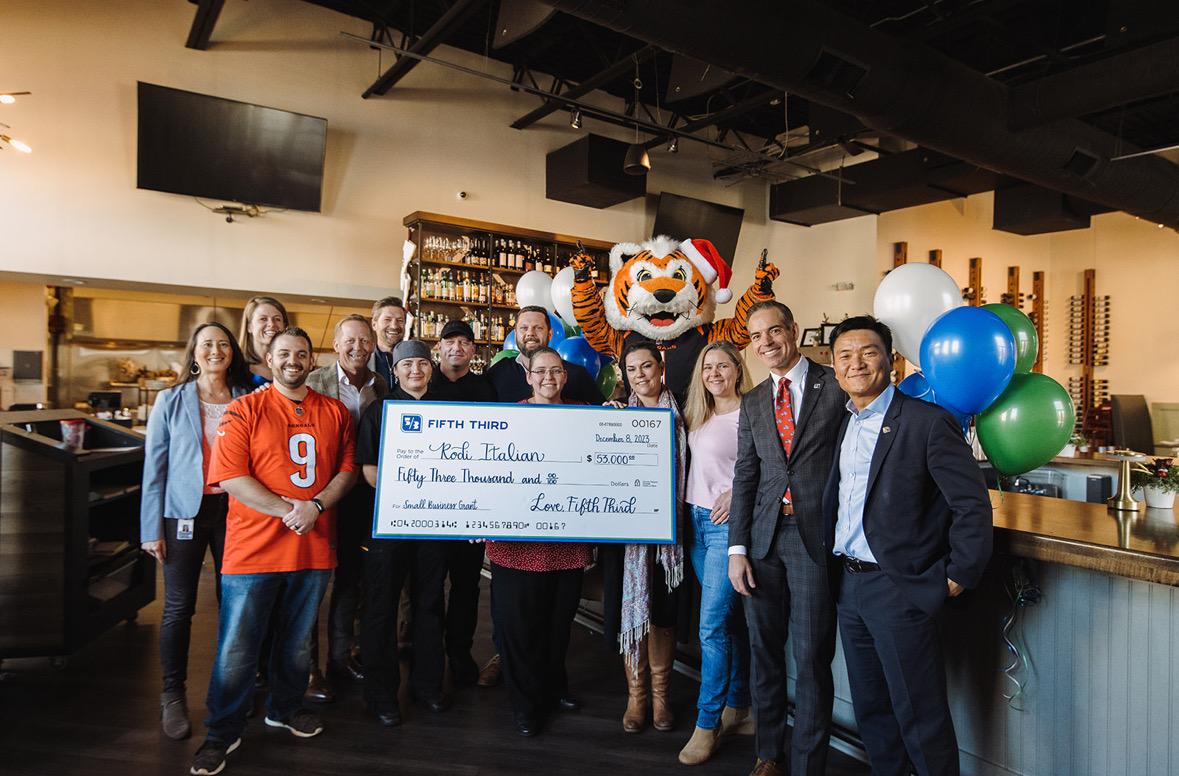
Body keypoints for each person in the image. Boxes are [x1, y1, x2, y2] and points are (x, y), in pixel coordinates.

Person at [823, 316, 992, 776]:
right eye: (845, 355)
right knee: (872, 712)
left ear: (890, 360)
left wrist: (957, 576)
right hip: (849, 586)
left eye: (868, 352)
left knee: (920, 714)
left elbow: (972, 506)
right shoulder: (840, 424)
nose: (856, 363)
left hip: (900, 588)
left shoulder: (927, 423)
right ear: (834, 367)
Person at [190, 327, 357, 776]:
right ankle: (221, 731)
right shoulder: (244, 409)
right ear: (269, 356)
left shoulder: (335, 411)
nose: (293, 360)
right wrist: (291, 511)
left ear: (311, 360)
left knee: (297, 642)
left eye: (302, 354)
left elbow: (347, 470)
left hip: (314, 549)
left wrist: (317, 506)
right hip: (253, 551)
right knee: (238, 647)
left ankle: (283, 709)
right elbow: (230, 477)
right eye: (284, 353)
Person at [727, 300, 848, 776]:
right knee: (764, 652)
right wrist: (738, 549)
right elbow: (746, 476)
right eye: (756, 337)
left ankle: (807, 764)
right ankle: (769, 753)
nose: (766, 343)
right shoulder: (755, 400)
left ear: (793, 330)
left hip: (816, 538)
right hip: (763, 541)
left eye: (773, 331)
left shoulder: (835, 385)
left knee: (813, 655)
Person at [140, 322, 253, 741]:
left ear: (233, 352)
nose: (215, 351)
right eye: (207, 344)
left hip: (237, 511)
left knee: (236, 603)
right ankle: (172, 693)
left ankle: (231, 692)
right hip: (182, 513)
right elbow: (155, 469)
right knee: (178, 608)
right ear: (194, 352)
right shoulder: (169, 400)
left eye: (223, 344)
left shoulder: (249, 398)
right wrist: (151, 528)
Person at [487, 346, 593, 737]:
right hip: (514, 549)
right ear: (528, 377)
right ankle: (526, 703)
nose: (549, 377)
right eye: (541, 371)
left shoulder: (586, 416)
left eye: (556, 370)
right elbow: (486, 472)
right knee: (519, 628)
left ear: (565, 376)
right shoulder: (508, 418)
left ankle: (552, 687)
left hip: (565, 549)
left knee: (557, 626)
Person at [355, 340, 449, 726]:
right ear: (395, 371)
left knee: (429, 604)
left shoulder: (448, 414)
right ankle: (381, 694)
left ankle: (427, 685)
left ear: (432, 368)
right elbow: (369, 470)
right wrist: (408, 497)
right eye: (407, 364)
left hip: (435, 526)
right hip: (389, 524)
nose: (415, 370)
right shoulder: (379, 411)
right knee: (381, 607)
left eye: (422, 364)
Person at [600, 341, 686, 735]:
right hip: (627, 537)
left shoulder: (686, 410)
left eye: (646, 366)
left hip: (671, 537)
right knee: (628, 614)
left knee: (665, 616)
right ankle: (636, 697)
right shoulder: (614, 415)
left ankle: (661, 696)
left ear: (660, 367)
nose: (640, 375)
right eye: (632, 369)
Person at [302, 315, 389, 701]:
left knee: (352, 580)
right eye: (349, 341)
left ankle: (340, 656)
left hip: (361, 495)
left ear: (372, 346)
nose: (358, 347)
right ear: (336, 346)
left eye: (364, 341)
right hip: (319, 495)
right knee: (312, 583)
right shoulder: (312, 382)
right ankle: (307, 669)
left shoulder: (382, 385)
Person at [677, 341, 754, 765]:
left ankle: (707, 725)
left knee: (710, 629)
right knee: (729, 623)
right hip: (695, 524)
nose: (715, 373)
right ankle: (739, 706)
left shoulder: (751, 413)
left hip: (726, 528)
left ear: (738, 370)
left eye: (723, 365)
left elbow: (774, 468)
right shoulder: (698, 413)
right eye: (709, 366)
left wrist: (738, 494)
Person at [428, 319, 496, 687]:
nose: (456, 347)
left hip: (472, 506)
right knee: (430, 584)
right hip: (430, 505)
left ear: (473, 350)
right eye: (449, 341)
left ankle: (459, 651)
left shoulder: (484, 388)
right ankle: (429, 651)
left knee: (468, 586)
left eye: (464, 342)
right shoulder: (424, 383)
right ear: (438, 347)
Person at [484, 305, 601, 404]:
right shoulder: (498, 373)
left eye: (538, 328)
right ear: (515, 335)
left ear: (550, 334)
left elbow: (600, 416)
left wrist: (612, 407)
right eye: (524, 328)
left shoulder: (578, 375)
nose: (530, 333)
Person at [237, 296, 289, 386]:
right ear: (249, 326)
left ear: (284, 326)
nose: (271, 324)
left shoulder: (292, 365)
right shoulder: (235, 367)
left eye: (277, 319)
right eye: (263, 319)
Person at [369, 296, 407, 389]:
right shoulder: (364, 361)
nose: (394, 326)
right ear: (374, 324)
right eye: (387, 320)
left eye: (400, 320)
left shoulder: (414, 361)